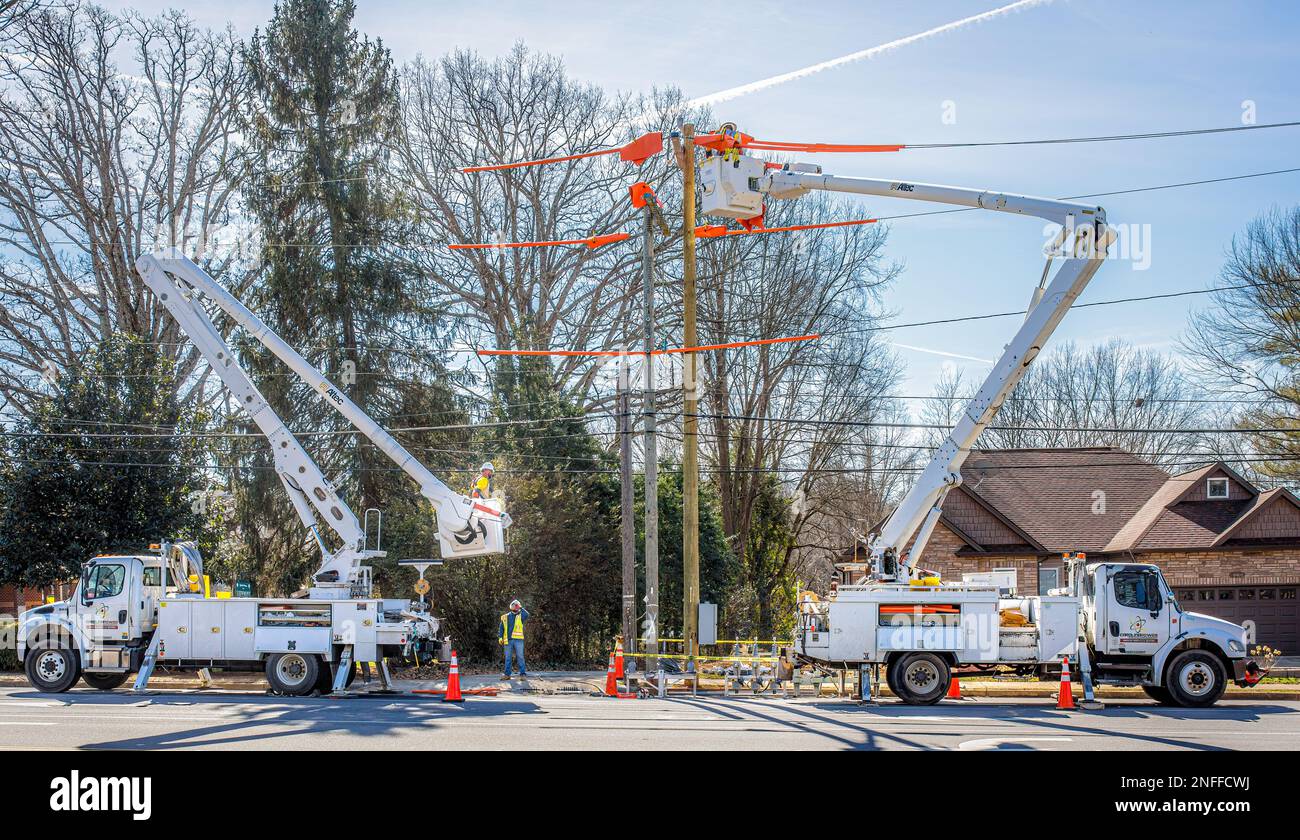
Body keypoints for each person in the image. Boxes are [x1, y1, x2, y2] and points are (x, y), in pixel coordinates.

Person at [499, 599, 529, 679]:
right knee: (508, 658)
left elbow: (527, 615)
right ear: (511, 607)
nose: (516, 607)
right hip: (508, 640)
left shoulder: (520, 616)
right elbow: (501, 628)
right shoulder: (505, 617)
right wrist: (500, 637)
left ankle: (522, 674)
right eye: (515, 605)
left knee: (520, 657)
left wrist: (521, 607)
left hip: (518, 640)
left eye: (517, 606)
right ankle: (507, 675)